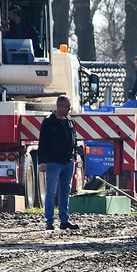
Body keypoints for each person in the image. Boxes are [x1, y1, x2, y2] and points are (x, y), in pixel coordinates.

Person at [38, 95, 79, 230]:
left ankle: (64, 220)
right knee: (51, 191)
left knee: (65, 191)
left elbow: (74, 139)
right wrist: (41, 161)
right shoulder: (48, 122)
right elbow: (42, 143)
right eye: (67, 106)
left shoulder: (69, 121)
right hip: (53, 162)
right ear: (59, 106)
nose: (69, 109)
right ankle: (49, 221)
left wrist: (74, 155)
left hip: (68, 162)